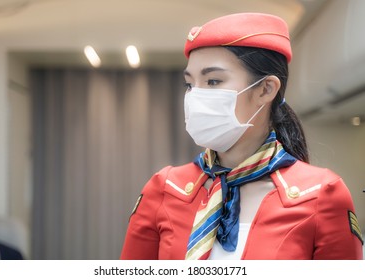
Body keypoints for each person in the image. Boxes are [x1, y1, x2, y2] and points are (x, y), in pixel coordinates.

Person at [120, 13, 363, 260]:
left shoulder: (320, 195)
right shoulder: (164, 189)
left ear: (266, 89)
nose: (195, 98)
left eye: (213, 81)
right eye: (189, 85)